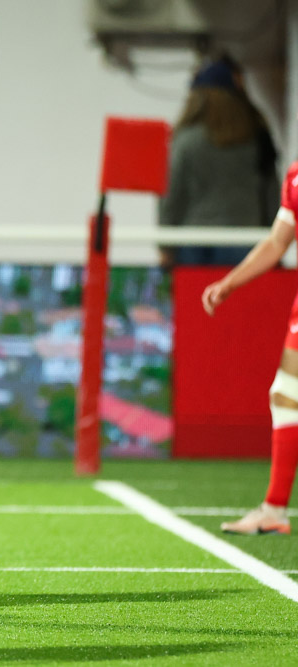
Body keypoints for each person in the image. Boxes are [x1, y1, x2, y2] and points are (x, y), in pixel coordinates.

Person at [200, 147, 298, 535]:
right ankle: (274, 508)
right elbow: (277, 242)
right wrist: (230, 282)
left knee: (288, 395)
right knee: (286, 395)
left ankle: (274, 509)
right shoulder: (295, 177)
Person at [159, 54, 278, 269]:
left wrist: (165, 246)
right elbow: (272, 195)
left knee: (197, 293)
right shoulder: (257, 139)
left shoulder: (186, 140)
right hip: (245, 240)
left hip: (194, 243)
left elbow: (171, 196)